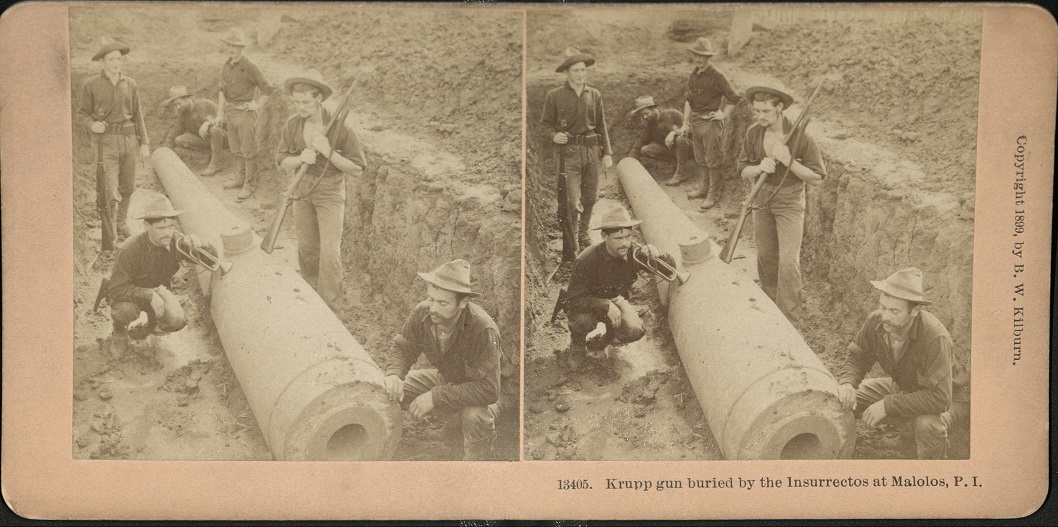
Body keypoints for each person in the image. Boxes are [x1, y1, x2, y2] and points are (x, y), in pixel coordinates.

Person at [383, 259, 517, 461]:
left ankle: (476, 464)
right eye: (431, 299)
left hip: (492, 391)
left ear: (462, 303)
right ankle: (452, 427)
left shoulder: (482, 329)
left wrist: (435, 397)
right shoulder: (423, 313)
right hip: (450, 380)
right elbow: (403, 348)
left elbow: (489, 390)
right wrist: (394, 374)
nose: (433, 308)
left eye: (442, 303)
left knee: (474, 416)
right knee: (387, 389)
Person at [836, 268, 969, 459]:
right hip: (904, 388)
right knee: (844, 397)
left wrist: (887, 405)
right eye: (883, 307)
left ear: (914, 311)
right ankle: (907, 435)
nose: (885, 316)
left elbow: (940, 398)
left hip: (947, 401)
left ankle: (932, 469)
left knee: (926, 425)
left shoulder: (934, 338)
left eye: (894, 311)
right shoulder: (876, 321)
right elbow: (857, 357)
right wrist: (847, 383)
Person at [736, 85, 826, 330]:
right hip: (761, 199)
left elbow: (817, 177)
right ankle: (770, 308)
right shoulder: (753, 133)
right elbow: (742, 168)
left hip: (790, 201)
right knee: (766, 257)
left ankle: (791, 322)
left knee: (788, 262)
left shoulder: (801, 137)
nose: (760, 116)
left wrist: (789, 161)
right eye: (756, 111)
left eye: (765, 111)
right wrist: (758, 168)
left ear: (779, 107)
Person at [275, 71, 366, 312]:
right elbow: (282, 160)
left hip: (330, 193)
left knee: (329, 253)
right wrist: (299, 159)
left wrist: (328, 152)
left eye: (305, 102)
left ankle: (331, 304)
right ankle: (309, 293)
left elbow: (357, 169)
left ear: (318, 99)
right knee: (307, 248)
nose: (300, 107)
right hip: (301, 190)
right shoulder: (292, 124)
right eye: (296, 102)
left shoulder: (340, 128)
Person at [560, 204, 671, 371]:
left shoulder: (634, 253)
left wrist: (660, 255)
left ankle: (606, 339)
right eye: (618, 238)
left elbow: (668, 271)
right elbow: (573, 300)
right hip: (587, 304)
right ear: (604, 236)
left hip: (616, 300)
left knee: (635, 330)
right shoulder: (586, 260)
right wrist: (605, 305)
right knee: (583, 321)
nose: (625, 243)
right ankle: (577, 345)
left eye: (628, 237)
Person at [105, 195, 214, 358]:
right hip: (129, 293)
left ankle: (149, 327)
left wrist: (204, 245)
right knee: (125, 311)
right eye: (161, 228)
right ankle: (119, 333)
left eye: (171, 226)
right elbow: (114, 289)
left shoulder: (177, 242)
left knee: (176, 321)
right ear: (147, 225)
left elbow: (211, 263)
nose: (168, 233)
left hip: (157, 290)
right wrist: (148, 294)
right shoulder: (129, 250)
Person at [540, 47, 614, 261]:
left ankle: (583, 235)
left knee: (590, 198)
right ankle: (571, 247)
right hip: (568, 155)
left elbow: (601, 125)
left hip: (591, 151)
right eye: (576, 70)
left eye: (583, 70)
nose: (581, 74)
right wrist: (554, 136)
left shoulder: (594, 95)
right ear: (566, 72)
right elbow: (544, 126)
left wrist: (607, 153)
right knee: (571, 202)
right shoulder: (555, 96)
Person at [76, 37, 151, 241]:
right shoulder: (91, 85)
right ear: (102, 62)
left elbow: (138, 115)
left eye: (119, 59)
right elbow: (82, 114)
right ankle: (109, 232)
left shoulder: (130, 84)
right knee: (109, 189)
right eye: (111, 59)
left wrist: (144, 143)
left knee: (128, 186)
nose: (116, 63)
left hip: (129, 140)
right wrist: (92, 125)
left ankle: (121, 223)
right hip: (105, 143)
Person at [677, 37, 742, 210]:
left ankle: (713, 193)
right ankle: (704, 188)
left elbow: (734, 97)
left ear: (709, 57)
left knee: (713, 159)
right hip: (696, 121)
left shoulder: (717, 76)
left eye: (703, 56)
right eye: (696, 55)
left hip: (710, 122)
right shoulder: (694, 74)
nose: (699, 59)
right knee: (700, 158)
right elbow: (689, 100)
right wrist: (685, 123)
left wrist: (723, 114)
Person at [213, 28, 276, 201]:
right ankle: (239, 178)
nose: (231, 49)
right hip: (230, 111)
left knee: (248, 150)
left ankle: (249, 184)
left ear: (242, 47)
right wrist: (220, 113)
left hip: (245, 113)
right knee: (235, 149)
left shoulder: (250, 66)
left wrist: (257, 105)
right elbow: (222, 91)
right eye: (229, 45)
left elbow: (268, 88)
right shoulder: (227, 65)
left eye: (235, 46)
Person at [625, 95, 695, 186]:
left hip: (690, 149)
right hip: (673, 151)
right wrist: (629, 161)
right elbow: (640, 143)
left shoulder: (672, 114)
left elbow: (691, 129)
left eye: (646, 113)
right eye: (642, 115)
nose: (645, 117)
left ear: (653, 108)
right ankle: (673, 164)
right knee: (645, 149)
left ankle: (681, 174)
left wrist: (674, 133)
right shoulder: (650, 125)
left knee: (680, 139)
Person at [160, 85, 228, 177]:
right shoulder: (183, 116)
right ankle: (209, 155)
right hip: (207, 141)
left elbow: (226, 118)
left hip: (224, 139)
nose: (178, 107)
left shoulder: (206, 104)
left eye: (179, 103)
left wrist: (208, 123)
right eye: (175, 105)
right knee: (179, 140)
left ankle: (216, 164)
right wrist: (163, 153)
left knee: (214, 129)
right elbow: (172, 137)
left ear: (186, 99)